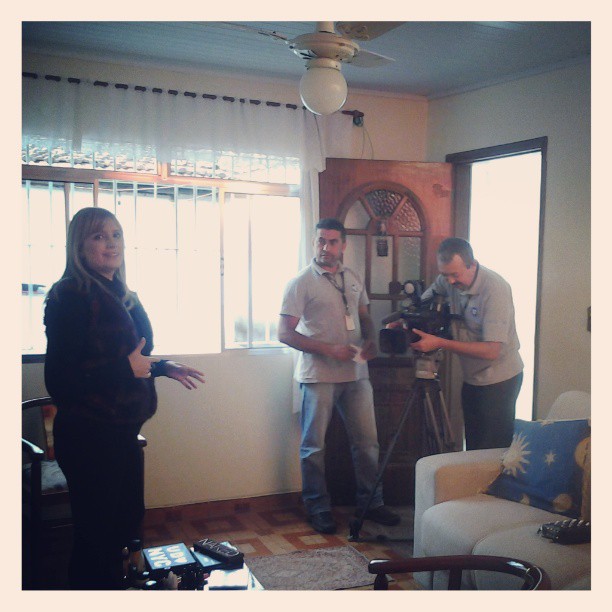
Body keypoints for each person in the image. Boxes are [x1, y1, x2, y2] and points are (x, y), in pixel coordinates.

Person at [44, 207, 205, 589]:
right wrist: (124, 368)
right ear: (79, 246)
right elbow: (60, 381)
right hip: (88, 435)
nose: (111, 243)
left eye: (115, 235)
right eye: (99, 236)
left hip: (121, 433)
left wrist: (162, 366)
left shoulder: (121, 292)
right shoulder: (69, 295)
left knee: (125, 523)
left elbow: (132, 357)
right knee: (95, 537)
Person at [278, 218, 399, 534]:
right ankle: (318, 508)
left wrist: (370, 339)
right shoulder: (301, 282)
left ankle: (371, 503)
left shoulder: (352, 277)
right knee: (314, 448)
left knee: (367, 444)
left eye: (332, 242)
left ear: (343, 245)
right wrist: (329, 349)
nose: (325, 247)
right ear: (314, 242)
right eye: (321, 240)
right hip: (318, 377)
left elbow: (363, 315)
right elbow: (284, 333)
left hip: (357, 374)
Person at [409, 237, 523, 450]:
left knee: (491, 451)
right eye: (445, 275)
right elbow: (424, 303)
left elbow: (492, 351)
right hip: (472, 379)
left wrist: (440, 342)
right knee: (473, 447)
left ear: (472, 264)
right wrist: (407, 319)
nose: (450, 281)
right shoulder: (447, 280)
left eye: (455, 275)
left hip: (499, 380)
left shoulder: (495, 289)